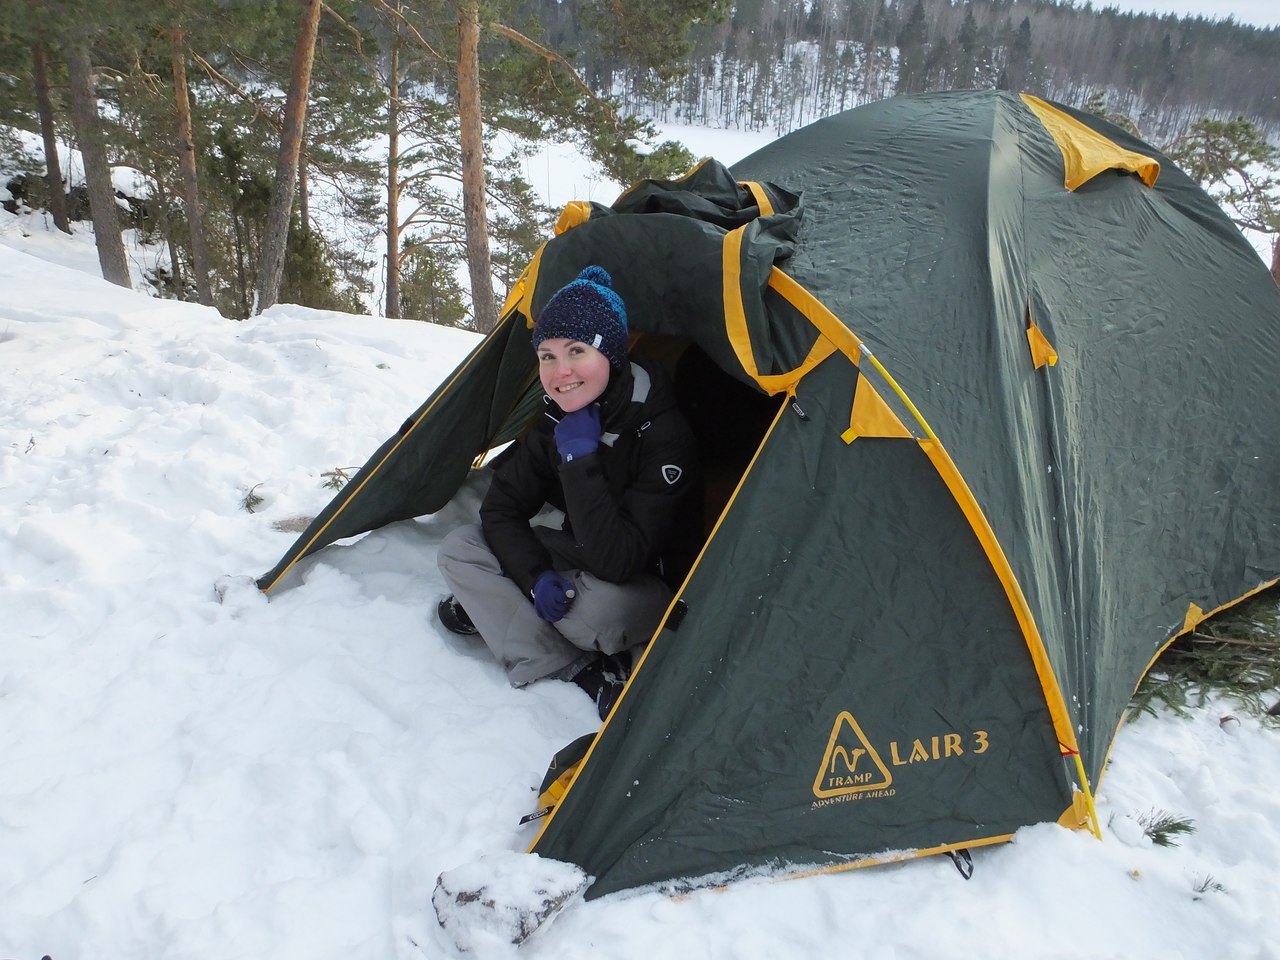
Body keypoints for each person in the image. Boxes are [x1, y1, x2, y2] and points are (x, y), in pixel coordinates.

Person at [436, 265, 702, 719]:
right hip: (584, 553)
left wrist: (580, 459)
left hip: (646, 579)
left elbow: (617, 561)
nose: (561, 372)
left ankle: (508, 617)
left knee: (589, 612)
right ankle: (574, 664)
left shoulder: (664, 434)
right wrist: (535, 576)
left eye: (577, 351)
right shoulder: (556, 417)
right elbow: (501, 509)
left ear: (611, 355)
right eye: (547, 356)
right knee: (459, 549)